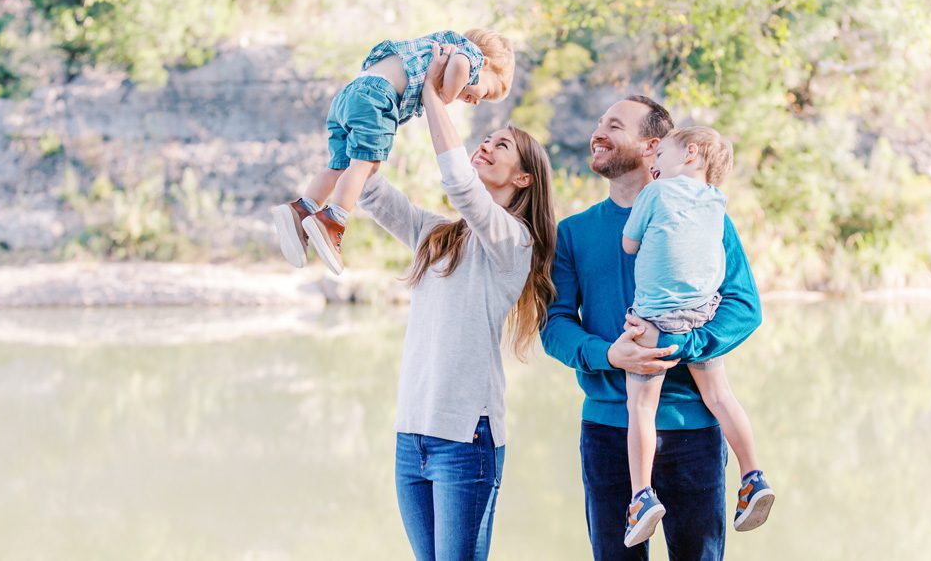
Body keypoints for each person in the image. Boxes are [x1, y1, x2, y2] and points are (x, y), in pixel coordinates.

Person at [540, 96, 763, 560]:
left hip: (694, 430)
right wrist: (609, 355)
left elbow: (745, 308)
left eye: (614, 126)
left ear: (651, 147)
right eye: (599, 123)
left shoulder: (709, 216)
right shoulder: (574, 232)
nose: (598, 133)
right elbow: (554, 325)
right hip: (607, 431)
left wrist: (681, 345)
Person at [359, 42, 555, 560]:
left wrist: (434, 98)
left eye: (501, 147)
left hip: (465, 441)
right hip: (412, 435)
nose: (486, 146)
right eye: (485, 138)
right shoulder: (439, 236)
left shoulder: (514, 243)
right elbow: (371, 193)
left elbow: (462, 187)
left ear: (523, 179)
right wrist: (375, 105)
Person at [620, 125, 774, 548]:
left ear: (689, 154)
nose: (654, 164)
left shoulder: (654, 194)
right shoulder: (716, 203)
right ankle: (752, 476)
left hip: (655, 317)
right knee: (721, 396)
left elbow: (630, 244)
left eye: (661, 156)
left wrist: (646, 211)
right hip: (703, 314)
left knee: (641, 409)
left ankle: (641, 496)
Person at [271, 29, 515, 275]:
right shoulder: (468, 54)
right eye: (487, 93)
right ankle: (333, 219)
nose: (475, 101)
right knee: (365, 164)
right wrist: (444, 96)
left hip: (349, 94)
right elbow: (461, 66)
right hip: (378, 95)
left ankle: (303, 209)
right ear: (485, 64)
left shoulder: (438, 48)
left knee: (340, 167)